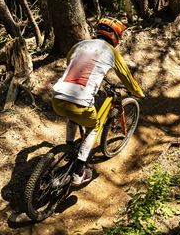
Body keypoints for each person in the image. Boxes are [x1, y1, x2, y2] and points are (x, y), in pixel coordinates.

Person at [51, 17, 144, 187]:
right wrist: (138, 92)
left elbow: (70, 62)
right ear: (115, 36)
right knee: (93, 127)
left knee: (72, 115)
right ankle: (79, 173)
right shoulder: (112, 52)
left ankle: (69, 147)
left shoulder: (79, 45)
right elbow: (126, 77)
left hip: (57, 96)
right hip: (80, 101)